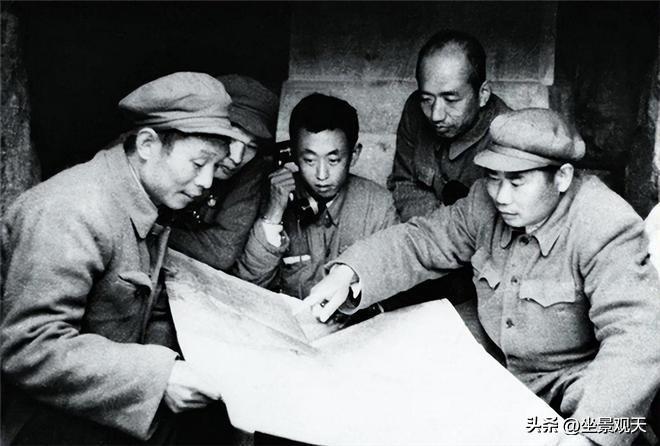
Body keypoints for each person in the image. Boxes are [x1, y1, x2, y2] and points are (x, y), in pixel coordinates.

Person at [305, 108, 660, 446]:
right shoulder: (484, 202)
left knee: (608, 422)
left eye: (517, 182)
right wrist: (351, 272)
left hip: (568, 382)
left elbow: (637, 335)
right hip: (492, 366)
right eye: (493, 178)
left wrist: (588, 434)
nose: (501, 196)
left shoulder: (604, 223)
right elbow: (423, 240)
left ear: (562, 177)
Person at [0, 72, 249, 445]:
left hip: (98, 398)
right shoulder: (72, 210)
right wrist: (160, 376)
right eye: (198, 164)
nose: (207, 182)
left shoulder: (143, 197)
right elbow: (29, 346)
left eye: (215, 166)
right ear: (147, 144)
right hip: (39, 419)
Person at [382, 29, 511, 313]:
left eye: (451, 99)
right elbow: (404, 182)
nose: (436, 114)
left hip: (480, 275)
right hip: (425, 250)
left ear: (483, 94)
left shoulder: (507, 136)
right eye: (427, 99)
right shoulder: (415, 111)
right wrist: (435, 232)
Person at [235, 93, 399, 305]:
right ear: (293, 155)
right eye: (310, 160)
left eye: (333, 160)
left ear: (354, 154)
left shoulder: (378, 206)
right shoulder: (275, 196)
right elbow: (247, 287)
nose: (322, 175)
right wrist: (273, 216)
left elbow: (393, 284)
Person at [168, 74, 279, 271]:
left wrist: (159, 233)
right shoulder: (171, 150)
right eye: (231, 139)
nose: (237, 158)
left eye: (251, 146)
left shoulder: (251, 172)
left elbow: (221, 252)